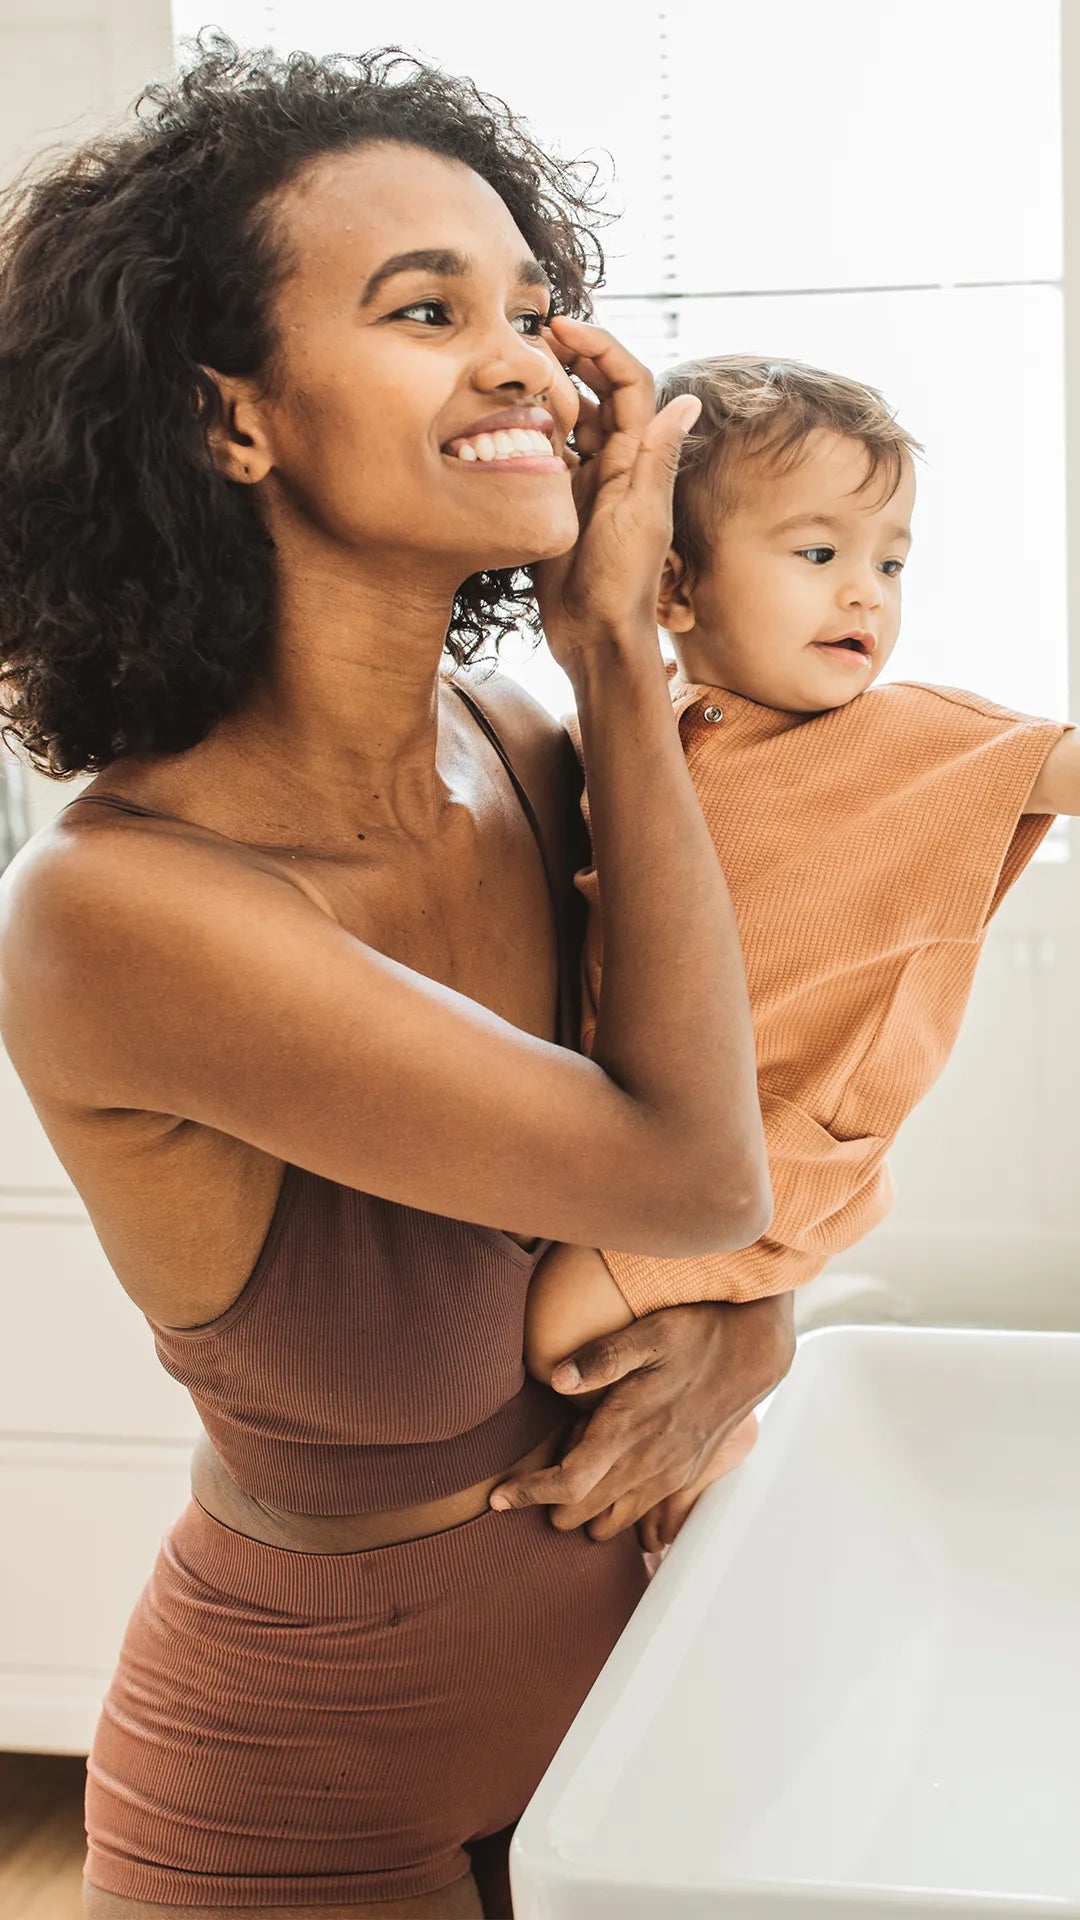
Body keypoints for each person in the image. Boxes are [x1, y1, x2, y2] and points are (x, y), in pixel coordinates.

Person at [0, 43, 793, 1920]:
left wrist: (752, 1326)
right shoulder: (122, 912)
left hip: (636, 1742)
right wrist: (621, 652)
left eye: (529, 307)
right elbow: (694, 1176)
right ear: (231, 422)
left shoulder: (512, 744)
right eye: (427, 312)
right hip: (312, 1815)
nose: (520, 362)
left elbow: (766, 1150)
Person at [523, 353, 1080, 1554]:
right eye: (819, 553)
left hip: (772, 1158)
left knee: (542, 1333)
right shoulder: (627, 726)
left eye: (892, 562)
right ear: (673, 586)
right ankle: (691, 1518)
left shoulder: (914, 737)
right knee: (654, 1472)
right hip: (640, 1139)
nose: (866, 594)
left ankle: (681, 1507)